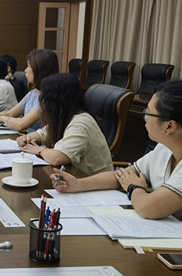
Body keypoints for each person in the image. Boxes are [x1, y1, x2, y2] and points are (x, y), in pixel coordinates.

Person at [51, 81, 182, 219]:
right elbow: (121, 176)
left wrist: (135, 187)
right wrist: (77, 184)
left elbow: (147, 209)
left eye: (148, 113)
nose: (145, 119)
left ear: (169, 126)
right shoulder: (164, 148)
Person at [17, 73, 113, 176]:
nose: (42, 103)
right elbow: (42, 134)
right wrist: (27, 138)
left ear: (55, 101)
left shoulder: (81, 123)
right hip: (75, 178)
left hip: (93, 182)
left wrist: (39, 150)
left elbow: (57, 158)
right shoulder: (65, 117)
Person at [0, 49, 59, 133]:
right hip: (26, 139)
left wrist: (2, 118)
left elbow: (21, 124)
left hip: (36, 141)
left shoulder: (47, 97)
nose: (25, 70)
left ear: (40, 69)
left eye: (28, 66)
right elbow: (9, 114)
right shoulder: (32, 93)